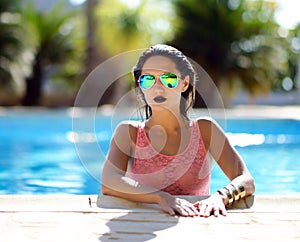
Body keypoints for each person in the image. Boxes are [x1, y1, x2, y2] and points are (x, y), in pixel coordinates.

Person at [101, 44, 255, 217]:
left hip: (198, 225)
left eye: (169, 79)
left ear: (184, 83)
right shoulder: (129, 133)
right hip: (141, 225)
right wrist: (161, 197)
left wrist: (221, 197)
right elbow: (109, 181)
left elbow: (246, 180)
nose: (158, 88)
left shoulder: (205, 130)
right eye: (148, 79)